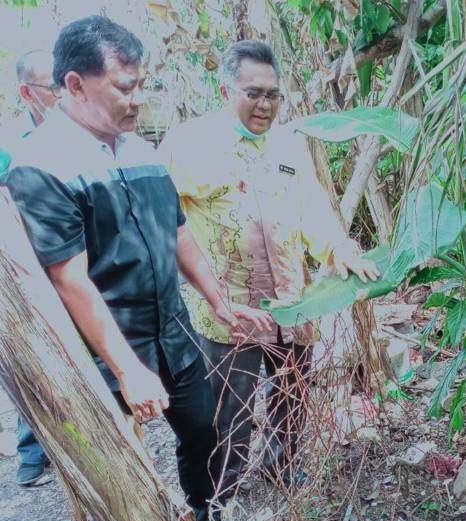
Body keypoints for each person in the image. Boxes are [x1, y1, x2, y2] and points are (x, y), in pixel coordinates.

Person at [0, 17, 270, 521]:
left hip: (174, 332)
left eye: (141, 84)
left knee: (206, 432)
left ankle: (206, 520)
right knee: (118, 464)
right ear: (75, 84)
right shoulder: (41, 165)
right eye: (125, 86)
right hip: (101, 350)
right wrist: (126, 368)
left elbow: (177, 232)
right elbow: (69, 278)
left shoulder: (141, 151)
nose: (138, 99)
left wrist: (217, 300)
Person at [160, 40, 378, 493]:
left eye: (273, 94)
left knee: (292, 395)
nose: (265, 105)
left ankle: (282, 467)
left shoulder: (287, 144)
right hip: (230, 314)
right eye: (253, 93)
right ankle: (226, 488)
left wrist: (340, 249)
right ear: (226, 91)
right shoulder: (189, 144)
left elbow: (313, 208)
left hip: (291, 304)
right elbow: (166, 221)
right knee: (230, 407)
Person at [0, 49, 61, 487]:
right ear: (26, 92)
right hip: (29, 272)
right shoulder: (5, 148)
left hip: (77, 268)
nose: (62, 95)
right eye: (52, 88)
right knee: (35, 361)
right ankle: (31, 454)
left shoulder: (80, 135)